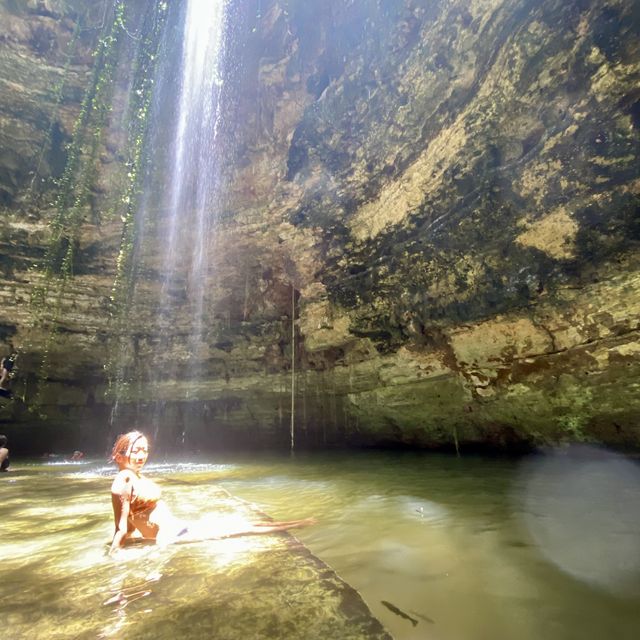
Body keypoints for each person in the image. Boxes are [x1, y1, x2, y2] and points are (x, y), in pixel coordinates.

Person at [109, 431, 314, 555]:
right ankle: (299, 524)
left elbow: (129, 524)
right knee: (240, 528)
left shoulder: (136, 476)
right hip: (170, 535)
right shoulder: (124, 478)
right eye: (135, 450)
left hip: (179, 527)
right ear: (120, 455)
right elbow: (122, 526)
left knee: (238, 524)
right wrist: (115, 553)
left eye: (144, 450)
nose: (141, 455)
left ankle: (295, 524)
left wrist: (133, 538)